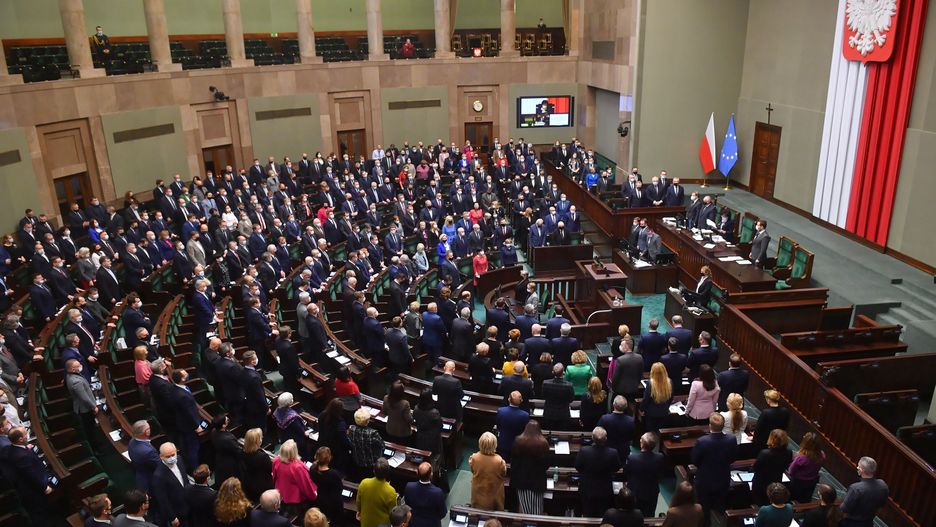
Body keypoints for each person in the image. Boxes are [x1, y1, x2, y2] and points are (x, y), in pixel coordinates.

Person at [691, 413, 737, 524]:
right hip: (723, 478)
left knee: (703, 508)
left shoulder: (702, 441)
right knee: (719, 508)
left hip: (704, 480)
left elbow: (695, 461)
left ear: (710, 425)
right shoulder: (731, 439)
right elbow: (733, 458)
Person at [6, 427, 52, 526]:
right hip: (33, 492)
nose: (27, 434)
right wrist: (45, 487)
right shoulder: (21, 456)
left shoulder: (14, 448)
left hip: (29, 488)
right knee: (39, 514)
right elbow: (32, 476)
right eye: (25, 433)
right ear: (20, 439)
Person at [576, 426, 622, 517]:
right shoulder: (613, 453)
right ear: (606, 439)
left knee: (588, 514)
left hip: (587, 488)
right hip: (605, 489)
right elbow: (617, 468)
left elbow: (578, 466)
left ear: (592, 438)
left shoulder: (584, 451)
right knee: (603, 515)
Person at [510, 420, 550, 514]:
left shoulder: (518, 441)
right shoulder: (543, 443)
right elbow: (547, 465)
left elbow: (513, 462)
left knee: (524, 507)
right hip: (537, 483)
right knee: (537, 509)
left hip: (521, 481)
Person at [273, 439, 318, 516]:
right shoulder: (297, 467)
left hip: (281, 494)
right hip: (295, 500)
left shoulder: (276, 460)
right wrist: (313, 495)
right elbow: (305, 485)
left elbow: (275, 477)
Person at [840, 456, 888, 527]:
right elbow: (881, 506)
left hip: (851, 523)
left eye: (858, 466)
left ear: (862, 470)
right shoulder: (883, 485)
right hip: (868, 523)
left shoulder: (855, 488)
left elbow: (844, 509)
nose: (857, 468)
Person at [150, 442, 189, 527]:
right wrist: (172, 517)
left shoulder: (179, 459)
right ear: (161, 457)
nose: (172, 458)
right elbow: (162, 499)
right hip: (178, 511)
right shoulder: (158, 476)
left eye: (173, 454)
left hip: (188, 503)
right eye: (168, 456)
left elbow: (185, 479)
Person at [627, 432, 665, 517]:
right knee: (650, 514)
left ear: (642, 444)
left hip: (637, 491)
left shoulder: (632, 458)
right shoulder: (660, 457)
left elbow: (627, 472)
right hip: (652, 491)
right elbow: (661, 472)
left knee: (635, 515)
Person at [752, 429, 792, 506]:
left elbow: (756, 468)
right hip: (776, 480)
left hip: (761, 482)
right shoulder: (789, 452)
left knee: (760, 501)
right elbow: (786, 465)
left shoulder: (765, 453)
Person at [469, 432, 507, 511]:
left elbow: (472, 470)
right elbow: (503, 473)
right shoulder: (499, 460)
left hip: (478, 491)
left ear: (480, 444)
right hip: (494, 492)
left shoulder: (474, 457)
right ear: (495, 445)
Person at [403, 462, 447, 527]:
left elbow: (407, 504)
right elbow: (442, 513)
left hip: (414, 523)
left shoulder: (409, 486)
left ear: (417, 473)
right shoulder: (438, 492)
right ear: (431, 475)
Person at [357, 458, 398, 527]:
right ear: (387, 473)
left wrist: (359, 511)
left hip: (365, 522)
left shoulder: (364, 483)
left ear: (374, 471)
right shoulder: (390, 491)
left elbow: (358, 502)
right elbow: (392, 512)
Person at [309, 447, 344, 527]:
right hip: (333, 503)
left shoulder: (313, 469)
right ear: (329, 458)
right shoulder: (333, 474)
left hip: (320, 499)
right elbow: (340, 488)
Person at [787, 432, 826, 503]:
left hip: (798, 482)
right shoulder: (822, 455)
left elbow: (791, 471)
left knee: (792, 495)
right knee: (805, 499)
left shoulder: (801, 458)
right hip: (812, 481)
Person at [318, 399, 353, 473]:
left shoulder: (322, 414)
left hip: (323, 443)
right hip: (335, 451)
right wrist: (351, 446)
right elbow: (344, 440)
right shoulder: (340, 423)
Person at [211, 413, 243, 489]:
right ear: (223, 425)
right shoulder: (227, 439)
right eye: (227, 420)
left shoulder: (214, 431)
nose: (228, 420)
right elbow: (238, 451)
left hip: (220, 459)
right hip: (230, 464)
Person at [241, 427, 274, 502]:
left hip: (249, 485)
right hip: (263, 486)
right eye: (260, 438)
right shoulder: (262, 457)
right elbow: (270, 469)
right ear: (257, 441)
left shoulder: (242, 453)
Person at [495, 390, 529, 460]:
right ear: (521, 401)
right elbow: (524, 431)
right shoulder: (525, 415)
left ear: (509, 399)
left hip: (502, 443)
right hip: (517, 445)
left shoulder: (501, 411)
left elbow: (498, 426)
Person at [128, 420, 160, 492]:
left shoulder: (132, 441)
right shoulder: (148, 452)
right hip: (151, 479)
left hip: (140, 474)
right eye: (148, 428)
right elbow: (159, 465)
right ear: (146, 432)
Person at [610, 339, 644, 408]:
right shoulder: (639, 357)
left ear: (626, 347)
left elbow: (616, 377)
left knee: (614, 405)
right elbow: (640, 374)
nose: (620, 346)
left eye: (622, 345)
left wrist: (613, 388)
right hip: (634, 388)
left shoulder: (620, 359)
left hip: (621, 390)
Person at [642, 362, 674, 433]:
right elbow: (671, 398)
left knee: (651, 433)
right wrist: (666, 407)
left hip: (651, 413)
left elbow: (646, 399)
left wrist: (642, 409)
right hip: (663, 412)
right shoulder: (669, 382)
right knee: (660, 432)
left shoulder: (650, 383)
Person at [542, 363, 575, 429]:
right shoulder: (569, 385)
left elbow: (544, 396)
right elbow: (571, 399)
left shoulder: (545, 383)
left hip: (549, 413)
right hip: (563, 415)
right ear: (563, 372)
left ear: (553, 372)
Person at [383, 379, 414, 445]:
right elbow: (409, 420)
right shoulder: (405, 403)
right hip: (403, 432)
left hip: (390, 428)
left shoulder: (386, 398)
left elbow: (384, 412)